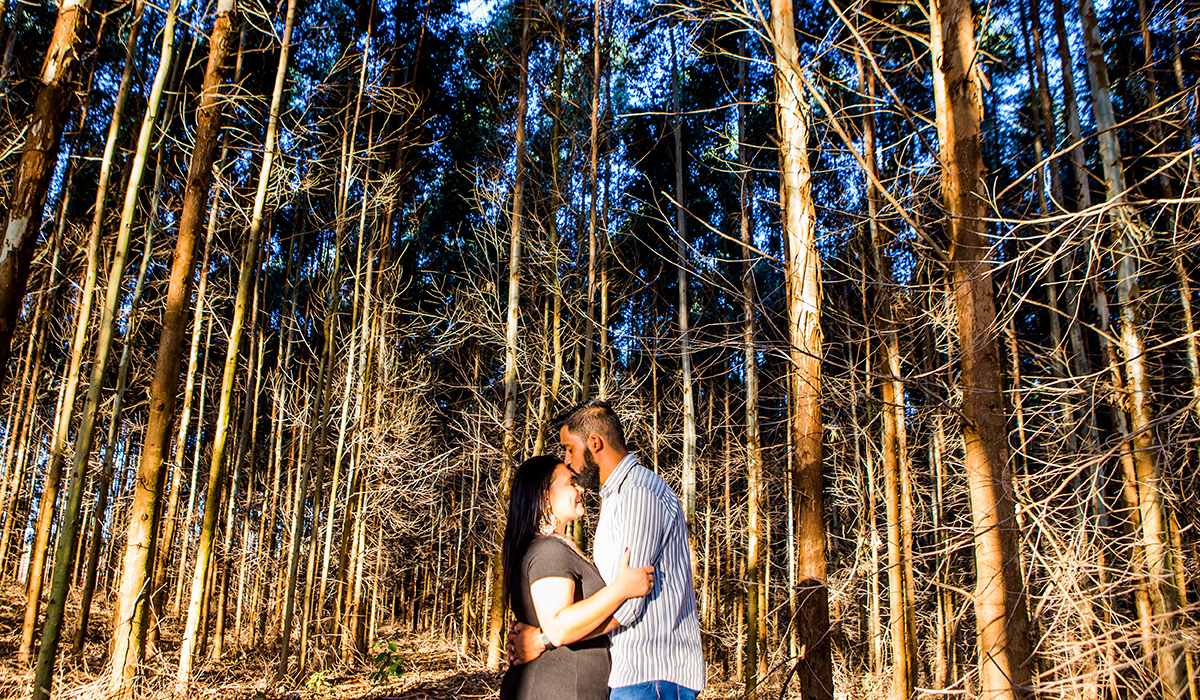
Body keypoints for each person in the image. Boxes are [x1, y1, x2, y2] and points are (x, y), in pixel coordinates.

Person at [508, 401, 706, 700]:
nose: (568, 460)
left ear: (595, 443)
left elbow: (629, 602)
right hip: (636, 675)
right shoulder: (615, 498)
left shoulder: (637, 494)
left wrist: (543, 638)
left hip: (652, 673)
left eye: (569, 449)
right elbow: (617, 592)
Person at [499, 454, 655, 700]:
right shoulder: (548, 550)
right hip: (554, 690)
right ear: (545, 497)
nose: (580, 488)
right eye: (571, 482)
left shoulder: (547, 549)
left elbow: (574, 626)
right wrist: (621, 589)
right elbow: (558, 627)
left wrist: (539, 639)